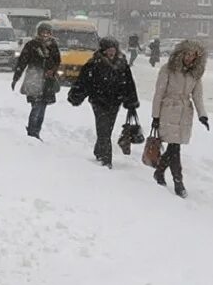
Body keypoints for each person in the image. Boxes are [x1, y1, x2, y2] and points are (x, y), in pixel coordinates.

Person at [67, 37, 140, 168]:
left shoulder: (122, 64)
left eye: (114, 50)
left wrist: (131, 101)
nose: (112, 52)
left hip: (114, 101)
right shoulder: (94, 63)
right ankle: (106, 159)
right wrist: (76, 95)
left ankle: (98, 150)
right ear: (104, 50)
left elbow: (129, 83)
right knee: (103, 129)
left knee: (107, 129)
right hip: (98, 101)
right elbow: (83, 81)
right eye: (109, 50)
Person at [151, 40, 208, 198]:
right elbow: (158, 94)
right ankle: (178, 182)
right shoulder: (168, 70)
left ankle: (159, 172)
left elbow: (198, 96)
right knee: (175, 148)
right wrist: (155, 116)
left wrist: (202, 115)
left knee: (173, 147)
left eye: (193, 55)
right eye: (187, 54)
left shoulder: (195, 74)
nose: (189, 58)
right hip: (168, 111)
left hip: (184, 114)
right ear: (181, 54)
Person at [11, 23, 61, 140]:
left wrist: (52, 70)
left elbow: (58, 61)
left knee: (42, 107)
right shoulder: (31, 45)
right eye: (43, 32)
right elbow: (22, 62)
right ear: (38, 33)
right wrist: (16, 78)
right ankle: (32, 132)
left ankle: (36, 131)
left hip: (48, 81)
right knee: (36, 106)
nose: (45, 35)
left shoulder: (53, 45)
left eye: (47, 32)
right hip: (34, 80)